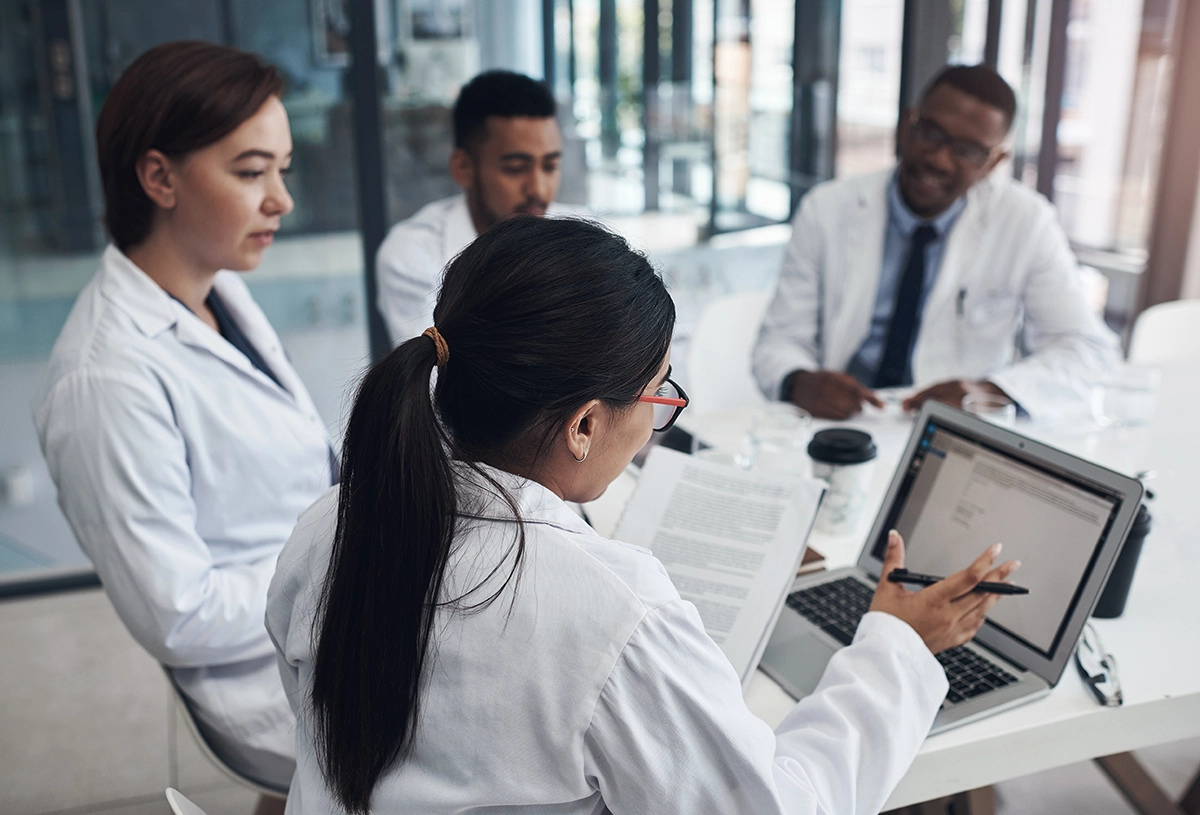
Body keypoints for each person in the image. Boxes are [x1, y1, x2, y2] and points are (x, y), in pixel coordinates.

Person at [267, 217, 1019, 814]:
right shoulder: (612, 614)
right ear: (585, 425)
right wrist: (894, 644)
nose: (659, 411)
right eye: (658, 390)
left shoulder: (329, 524)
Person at [34, 41, 337, 797]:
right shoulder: (105, 376)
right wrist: (344, 574)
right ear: (159, 176)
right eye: (250, 171)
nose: (281, 200)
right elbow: (176, 612)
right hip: (263, 681)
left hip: (310, 616)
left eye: (283, 169)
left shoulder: (212, 287)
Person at [752, 64, 1119, 420]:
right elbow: (778, 341)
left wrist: (989, 392)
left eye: (968, 151)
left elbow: (1088, 351)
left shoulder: (1026, 222)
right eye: (931, 134)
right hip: (844, 422)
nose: (940, 161)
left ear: (994, 163)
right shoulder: (827, 208)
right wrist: (798, 381)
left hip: (955, 432)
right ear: (907, 125)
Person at [374, 69, 585, 345]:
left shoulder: (580, 236)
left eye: (550, 166)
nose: (539, 189)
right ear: (463, 168)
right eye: (515, 168)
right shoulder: (413, 255)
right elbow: (437, 378)